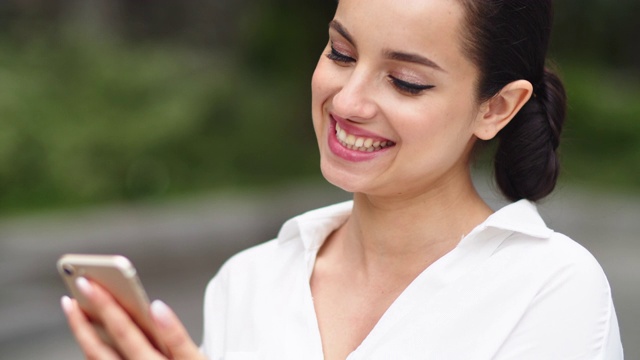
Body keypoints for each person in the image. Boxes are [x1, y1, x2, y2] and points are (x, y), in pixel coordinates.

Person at [61, 0, 624, 358]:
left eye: (405, 81)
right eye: (341, 52)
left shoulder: (551, 290)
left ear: (496, 108)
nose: (348, 101)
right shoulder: (249, 283)